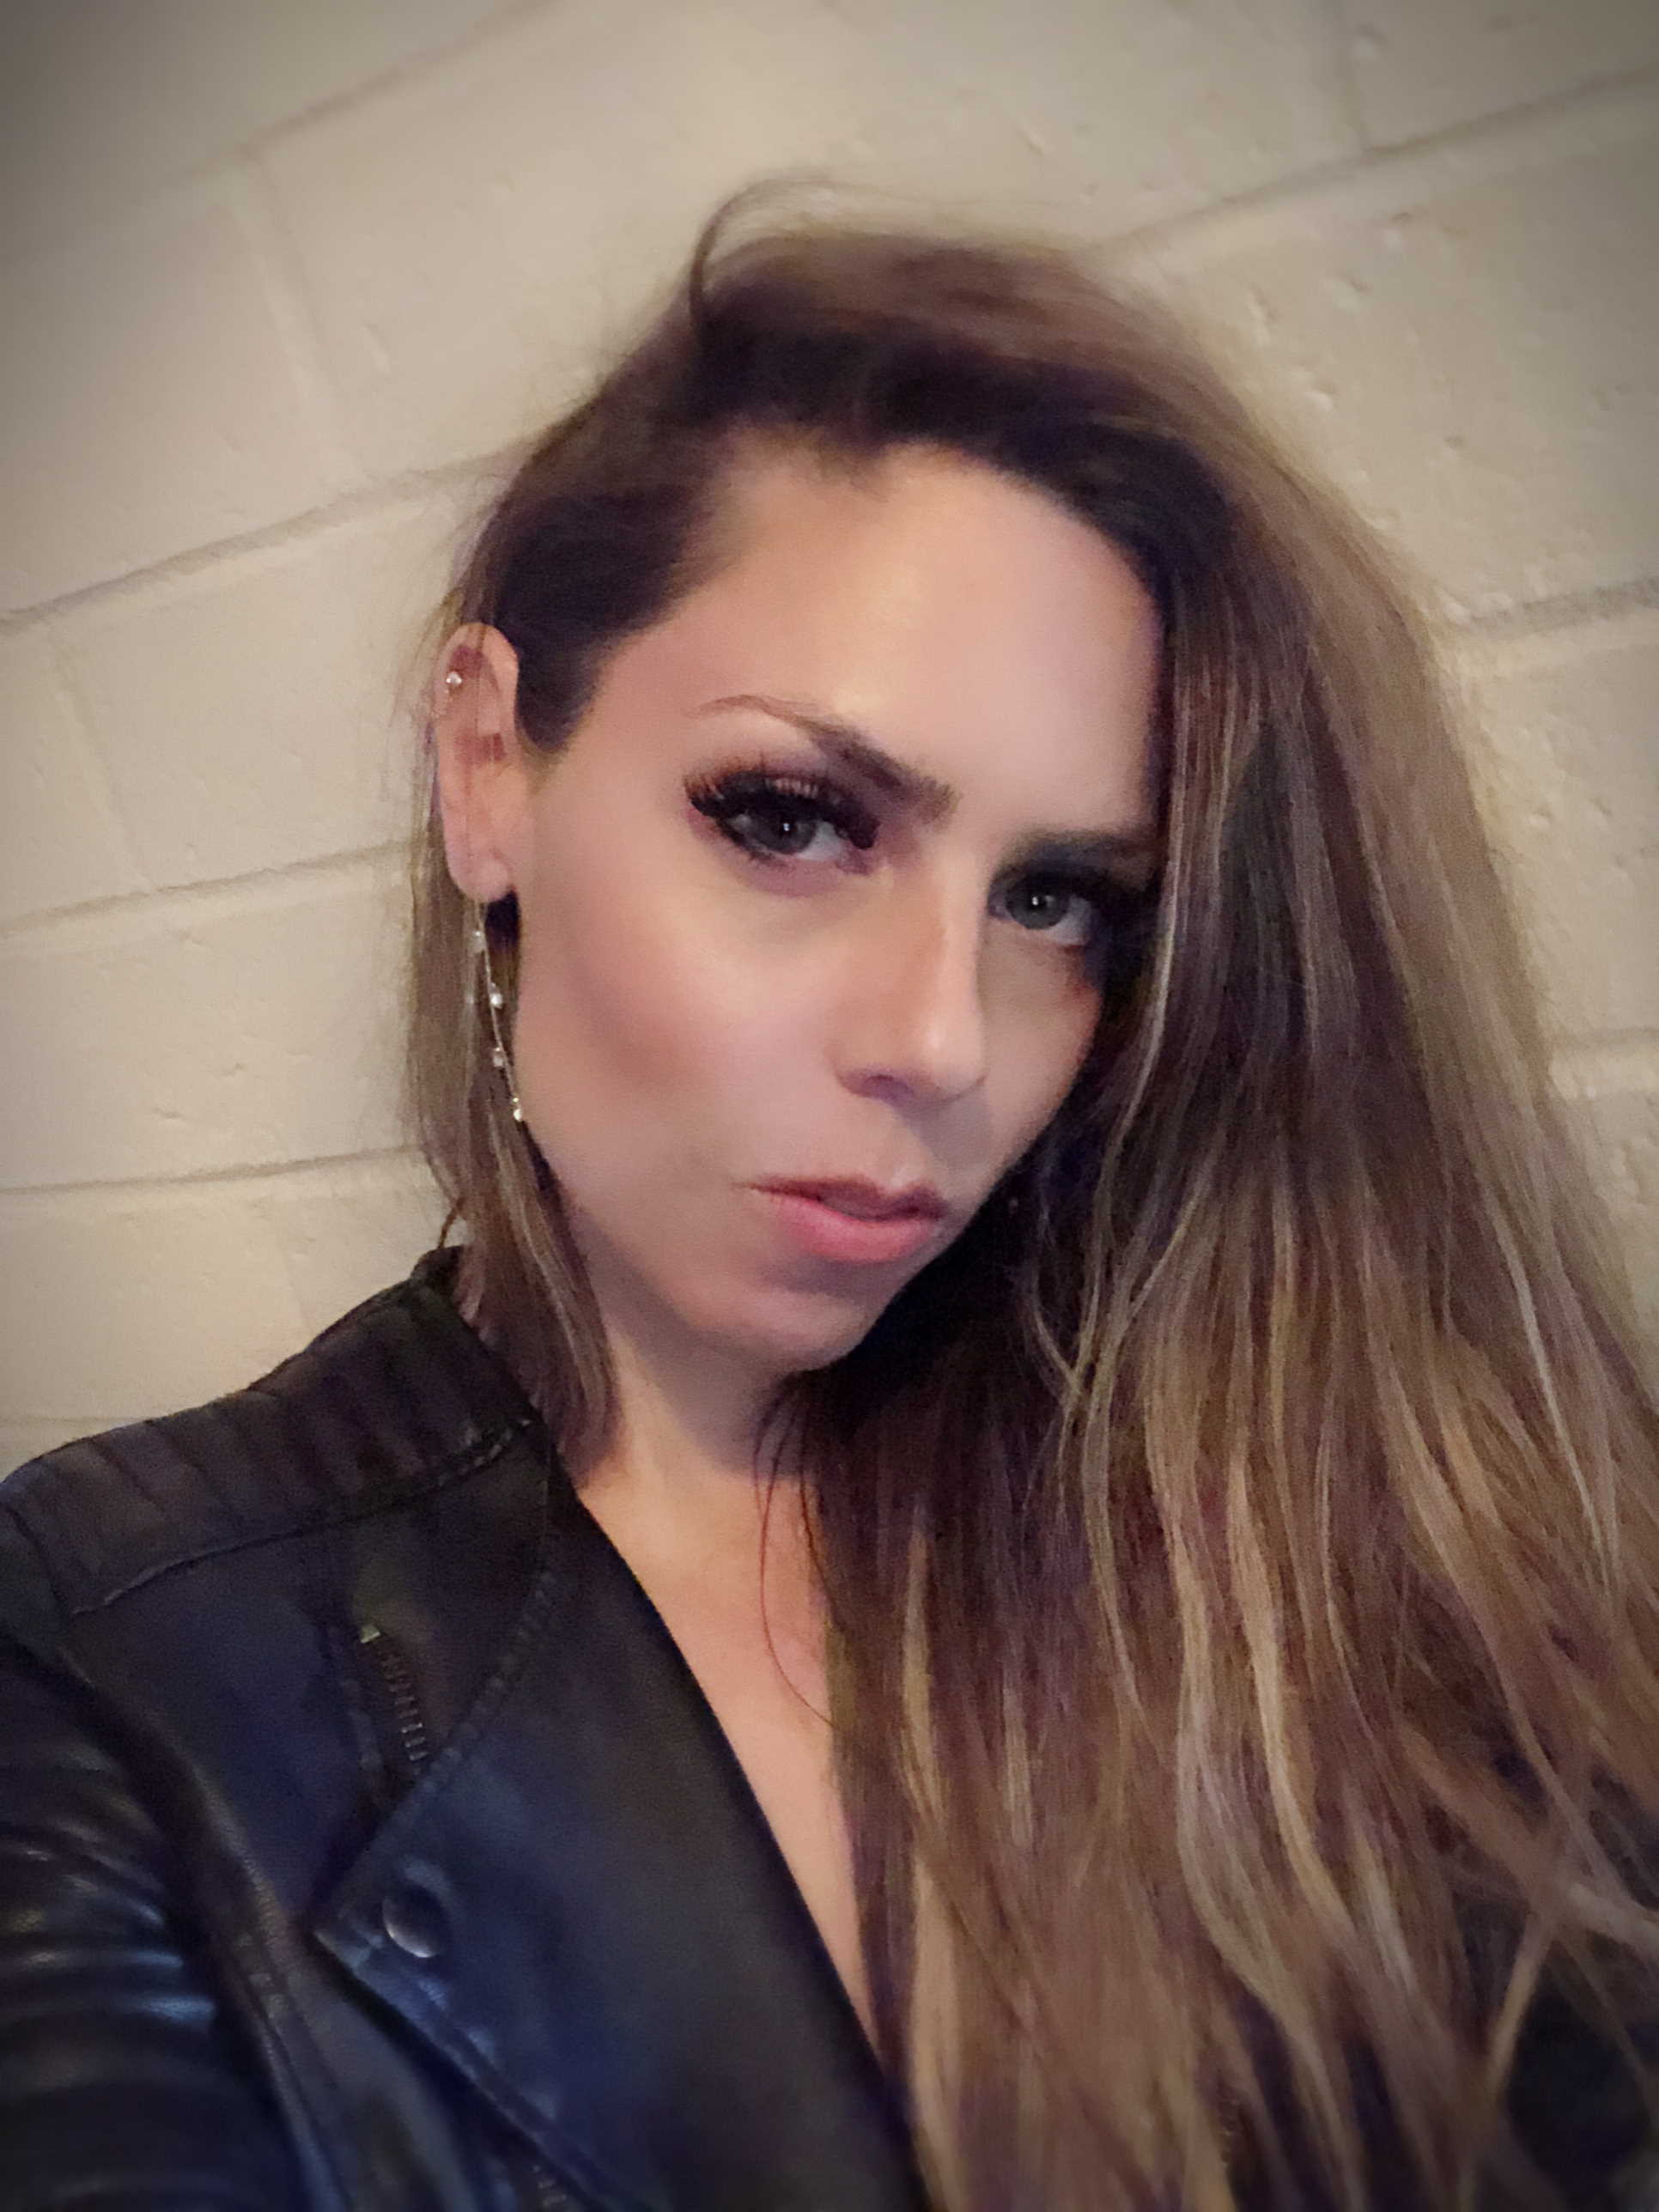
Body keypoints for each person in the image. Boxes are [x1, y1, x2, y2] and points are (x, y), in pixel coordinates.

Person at [3, 189, 1658, 2212]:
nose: (943, 1038)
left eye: (1061, 898)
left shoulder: (1325, 1505)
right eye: (792, 819)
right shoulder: (113, 1656)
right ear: (489, 767)